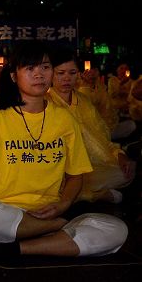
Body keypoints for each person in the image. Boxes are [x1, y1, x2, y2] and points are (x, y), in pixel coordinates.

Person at [0, 41, 127, 257]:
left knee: (116, 230)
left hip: (50, 210)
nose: (39, 74)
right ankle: (55, 231)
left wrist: (63, 205)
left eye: (45, 67)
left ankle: (18, 248)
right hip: (5, 211)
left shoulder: (64, 119)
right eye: (30, 68)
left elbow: (76, 175)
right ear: (13, 76)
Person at [47, 49, 135, 203]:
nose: (66, 78)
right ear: (50, 75)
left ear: (78, 74)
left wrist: (119, 154)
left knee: (125, 173)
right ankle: (98, 195)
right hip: (58, 168)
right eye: (60, 73)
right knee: (52, 186)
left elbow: (101, 137)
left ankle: (84, 194)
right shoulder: (44, 102)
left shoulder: (84, 102)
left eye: (72, 73)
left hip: (90, 165)